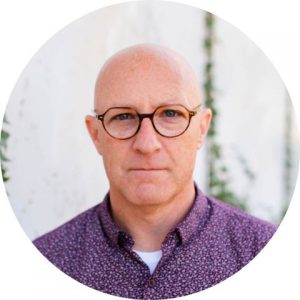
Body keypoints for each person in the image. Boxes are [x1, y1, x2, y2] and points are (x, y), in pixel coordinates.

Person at [33, 44, 276, 299]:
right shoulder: (45, 264)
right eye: (124, 117)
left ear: (201, 130)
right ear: (96, 135)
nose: (147, 145)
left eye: (170, 114)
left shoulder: (265, 255)